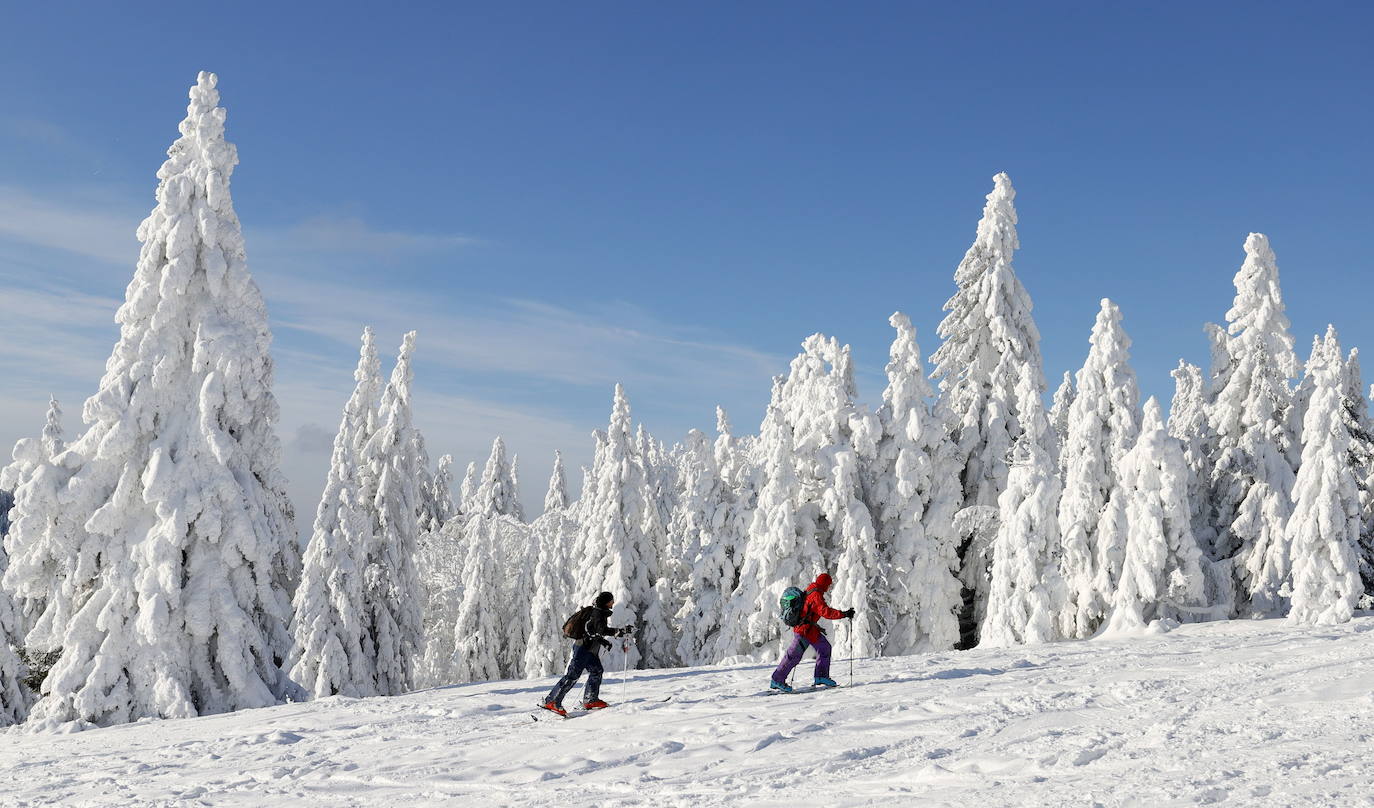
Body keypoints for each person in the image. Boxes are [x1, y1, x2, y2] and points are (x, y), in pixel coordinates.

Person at [541, 591, 634, 716]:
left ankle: (590, 700)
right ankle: (552, 701)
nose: (613, 602)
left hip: (589, 649)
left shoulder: (599, 612)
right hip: (583, 649)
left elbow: (593, 632)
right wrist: (620, 631)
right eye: (612, 600)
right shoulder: (598, 613)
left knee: (596, 671)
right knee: (572, 675)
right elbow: (601, 630)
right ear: (607, 602)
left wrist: (604, 642)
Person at [770, 572, 854, 692]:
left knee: (824, 648)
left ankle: (821, 676)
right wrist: (844, 614)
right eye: (829, 585)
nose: (829, 587)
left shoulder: (813, 589)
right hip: (804, 630)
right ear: (824, 583)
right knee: (793, 655)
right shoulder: (816, 595)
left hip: (810, 630)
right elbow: (825, 612)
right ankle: (777, 679)